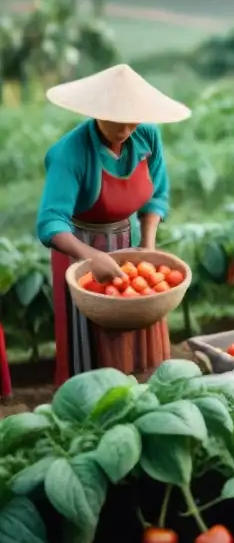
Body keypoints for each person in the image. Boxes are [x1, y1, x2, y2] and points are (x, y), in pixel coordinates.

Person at [36, 64, 191, 385]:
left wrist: (147, 247)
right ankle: (91, 392)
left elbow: (156, 194)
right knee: (95, 331)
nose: (126, 127)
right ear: (96, 112)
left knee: (140, 310)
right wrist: (90, 258)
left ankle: (146, 386)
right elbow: (50, 222)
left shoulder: (146, 137)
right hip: (78, 250)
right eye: (117, 119)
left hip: (128, 245)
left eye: (133, 117)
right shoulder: (71, 153)